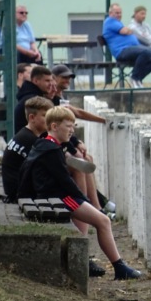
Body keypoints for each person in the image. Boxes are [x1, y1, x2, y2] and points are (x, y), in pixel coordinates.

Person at [18, 106, 142, 280]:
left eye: (73, 126)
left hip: (50, 195)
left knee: (94, 216)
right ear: (54, 126)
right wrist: (86, 202)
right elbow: (66, 182)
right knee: (103, 221)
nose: (72, 130)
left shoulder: (44, 142)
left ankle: (92, 259)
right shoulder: (52, 151)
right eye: (68, 126)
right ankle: (120, 268)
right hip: (56, 197)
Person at [52, 64, 106, 211]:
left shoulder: (61, 98)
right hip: (58, 148)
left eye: (69, 77)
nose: (67, 80)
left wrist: (103, 120)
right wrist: (74, 144)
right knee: (81, 163)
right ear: (53, 78)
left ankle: (96, 206)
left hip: (62, 143)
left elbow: (77, 113)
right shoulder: (53, 101)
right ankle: (89, 207)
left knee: (85, 160)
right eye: (64, 77)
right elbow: (60, 128)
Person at [1, 96, 53, 203]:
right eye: (44, 115)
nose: (49, 120)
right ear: (32, 118)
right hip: (18, 192)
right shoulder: (30, 140)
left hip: (14, 189)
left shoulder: (24, 134)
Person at [102, 3, 151, 88]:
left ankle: (138, 78)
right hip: (122, 51)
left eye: (120, 13)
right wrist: (129, 31)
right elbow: (125, 31)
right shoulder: (110, 21)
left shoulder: (117, 22)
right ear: (110, 13)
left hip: (131, 50)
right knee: (145, 52)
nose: (119, 15)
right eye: (117, 13)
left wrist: (129, 31)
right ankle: (134, 78)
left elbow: (127, 31)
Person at [14, 65, 53, 133]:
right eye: (47, 81)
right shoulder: (34, 101)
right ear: (36, 81)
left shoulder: (26, 96)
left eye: (51, 81)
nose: (51, 84)